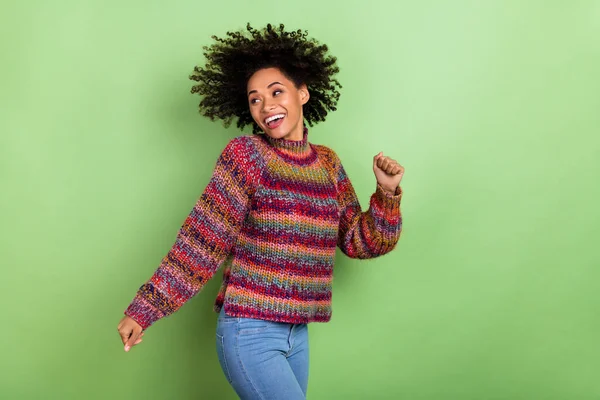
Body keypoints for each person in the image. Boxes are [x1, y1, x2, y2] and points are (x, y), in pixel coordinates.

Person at [117, 23, 405, 399]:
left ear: (302, 93)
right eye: (255, 99)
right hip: (249, 331)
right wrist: (144, 310)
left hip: (297, 334)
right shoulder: (247, 156)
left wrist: (386, 193)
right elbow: (201, 242)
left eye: (276, 91)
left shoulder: (328, 164)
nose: (266, 105)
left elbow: (359, 242)